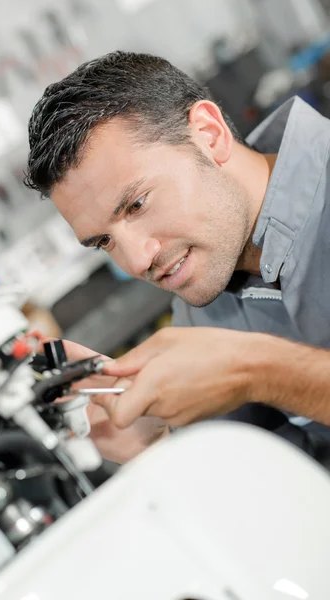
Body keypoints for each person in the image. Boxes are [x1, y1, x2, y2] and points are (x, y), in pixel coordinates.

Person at [25, 51, 330, 462]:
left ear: (209, 134)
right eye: (103, 242)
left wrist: (258, 372)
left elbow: (253, 371)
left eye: (136, 205)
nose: (135, 261)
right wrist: (158, 435)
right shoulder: (203, 310)